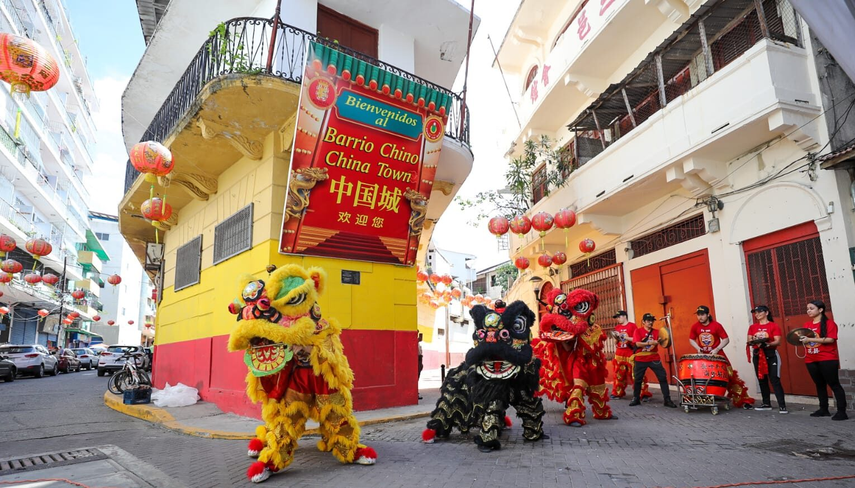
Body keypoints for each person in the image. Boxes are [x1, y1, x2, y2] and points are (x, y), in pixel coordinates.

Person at [689, 305, 754, 409]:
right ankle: (703, 399)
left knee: (730, 377)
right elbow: (691, 339)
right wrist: (698, 348)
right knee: (702, 379)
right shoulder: (695, 326)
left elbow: (726, 339)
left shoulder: (716, 325)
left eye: (702, 314)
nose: (700, 317)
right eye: (698, 315)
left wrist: (717, 349)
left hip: (719, 357)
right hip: (704, 359)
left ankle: (743, 401)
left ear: (708, 315)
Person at [801, 300, 847, 420]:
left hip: (827, 358)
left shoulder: (829, 323)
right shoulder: (807, 325)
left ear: (820, 310)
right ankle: (823, 409)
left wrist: (811, 340)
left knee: (834, 384)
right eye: (807, 309)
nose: (808, 311)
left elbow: (831, 339)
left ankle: (842, 411)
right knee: (819, 384)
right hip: (811, 358)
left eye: (811, 308)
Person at [629, 313, 677, 408]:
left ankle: (667, 399)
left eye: (652, 320)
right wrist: (650, 342)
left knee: (662, 377)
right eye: (648, 321)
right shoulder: (638, 331)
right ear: (643, 322)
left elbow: (665, 341)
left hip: (654, 358)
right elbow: (637, 344)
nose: (650, 322)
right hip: (640, 358)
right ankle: (636, 398)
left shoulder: (657, 332)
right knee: (638, 379)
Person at [746, 306, 787, 413]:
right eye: (755, 312)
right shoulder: (752, 327)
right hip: (758, 354)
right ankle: (766, 403)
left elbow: (778, 341)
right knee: (761, 379)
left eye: (760, 312)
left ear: (767, 313)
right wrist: (756, 342)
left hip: (771, 354)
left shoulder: (773, 326)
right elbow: (749, 340)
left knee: (775, 379)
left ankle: (782, 405)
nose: (757, 314)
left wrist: (767, 344)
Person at [610, 311, 651, 400]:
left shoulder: (632, 326)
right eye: (616, 317)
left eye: (619, 317)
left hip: (630, 353)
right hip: (619, 354)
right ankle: (617, 392)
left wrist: (625, 337)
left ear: (624, 316)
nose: (617, 319)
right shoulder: (617, 327)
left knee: (636, 374)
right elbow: (616, 342)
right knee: (618, 375)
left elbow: (636, 339)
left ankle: (642, 393)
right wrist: (616, 338)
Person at [417, 333, 424, 400]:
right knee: (416, 377)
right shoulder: (415, 341)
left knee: (417, 377)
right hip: (417, 359)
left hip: (419, 359)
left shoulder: (417, 342)